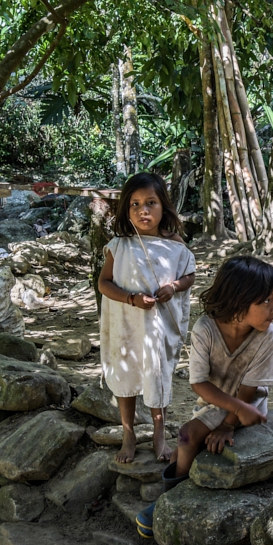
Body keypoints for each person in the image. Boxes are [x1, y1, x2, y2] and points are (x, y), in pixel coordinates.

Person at [136, 255, 273, 539]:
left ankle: (167, 504)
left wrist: (229, 423)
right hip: (216, 401)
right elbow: (200, 384)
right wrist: (231, 412)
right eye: (265, 302)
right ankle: (174, 499)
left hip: (248, 403)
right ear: (238, 301)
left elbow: (248, 392)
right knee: (183, 451)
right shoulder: (205, 328)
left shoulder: (268, 336)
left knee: (188, 436)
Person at [98, 172, 196, 464]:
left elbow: (189, 275)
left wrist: (173, 287)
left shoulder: (175, 243)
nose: (143, 210)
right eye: (135, 204)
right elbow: (104, 283)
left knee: (158, 375)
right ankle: (128, 434)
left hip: (157, 327)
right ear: (126, 210)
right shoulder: (120, 245)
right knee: (126, 374)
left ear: (163, 206)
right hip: (125, 327)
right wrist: (131, 299)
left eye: (150, 202)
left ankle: (159, 434)